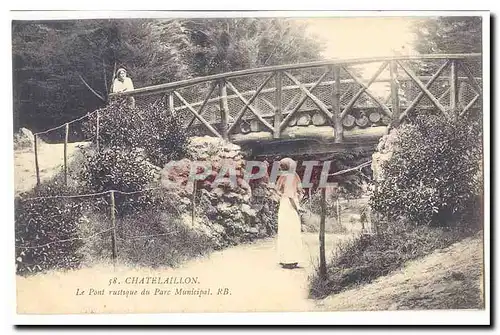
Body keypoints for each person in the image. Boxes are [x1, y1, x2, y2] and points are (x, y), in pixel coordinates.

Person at [275, 157, 304, 269]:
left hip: (284, 204)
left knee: (284, 230)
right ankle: (292, 259)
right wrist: (297, 208)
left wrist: (282, 195)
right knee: (292, 231)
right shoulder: (294, 176)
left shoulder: (282, 177)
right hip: (291, 205)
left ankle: (284, 259)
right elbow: (293, 194)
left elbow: (277, 190)